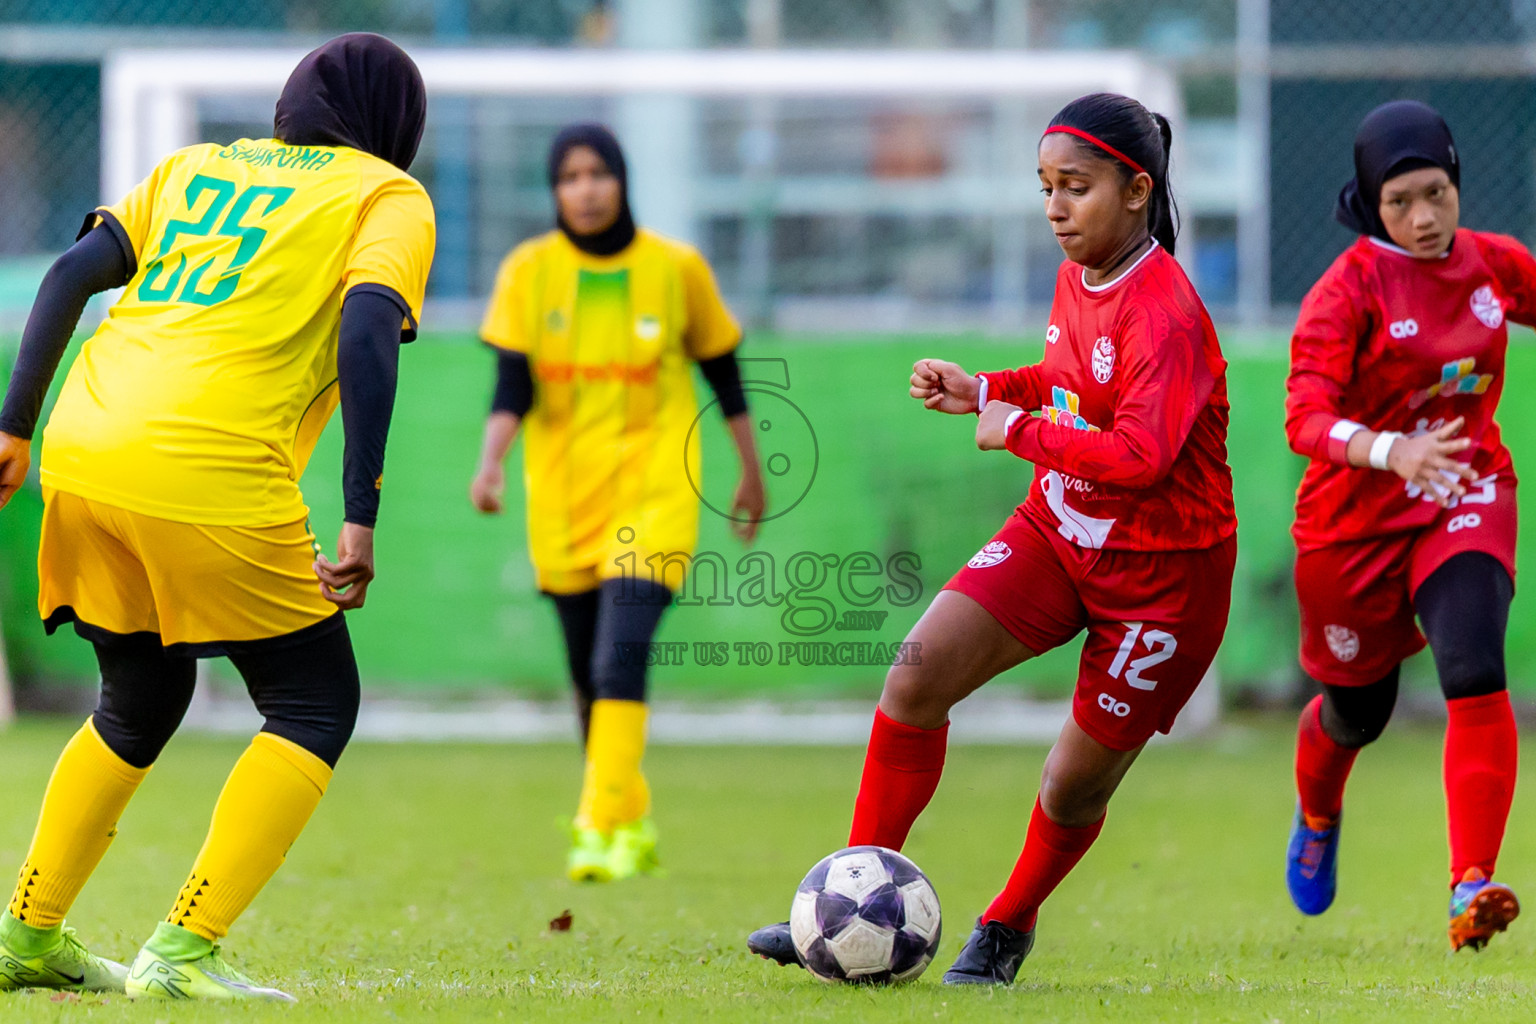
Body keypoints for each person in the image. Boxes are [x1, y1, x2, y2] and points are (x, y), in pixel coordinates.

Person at [746, 92, 1236, 985]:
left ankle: (1007, 926)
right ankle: (848, 901)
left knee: (1072, 784)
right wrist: (987, 390)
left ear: (1136, 190)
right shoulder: (1080, 274)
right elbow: (1070, 380)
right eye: (1046, 187)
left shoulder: (1166, 314)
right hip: (1061, 530)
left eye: (1076, 187)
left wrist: (1015, 429)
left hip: (1162, 581)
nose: (1055, 207)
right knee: (916, 676)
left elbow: (1141, 455)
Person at [0, 33, 435, 1001]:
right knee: (314, 702)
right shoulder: (386, 194)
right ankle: (184, 949)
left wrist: (13, 427)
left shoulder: (195, 166)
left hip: (83, 444)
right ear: (395, 123)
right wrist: (360, 510)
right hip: (208, 461)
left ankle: (26, 934)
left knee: (138, 697)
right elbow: (369, 326)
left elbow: (70, 274)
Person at [470, 124, 766, 883]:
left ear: (623, 180)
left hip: (656, 491)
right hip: (564, 500)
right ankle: (628, 818)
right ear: (554, 190)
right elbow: (511, 385)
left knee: (617, 658)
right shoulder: (529, 271)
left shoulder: (676, 269)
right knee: (588, 678)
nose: (586, 189)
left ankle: (594, 826)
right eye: (569, 176)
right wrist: (491, 461)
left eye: (598, 172)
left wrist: (750, 471)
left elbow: (724, 375)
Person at [1283, 100, 1525, 951]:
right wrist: (1393, 451)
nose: (1423, 217)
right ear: (1369, 201)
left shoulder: (1493, 264)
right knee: (1358, 714)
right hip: (1351, 528)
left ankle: (1472, 886)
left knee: (1475, 666)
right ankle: (1319, 811)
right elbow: (1304, 418)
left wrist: (1431, 459)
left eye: (1437, 194)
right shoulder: (1346, 292)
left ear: (1457, 183)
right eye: (1399, 202)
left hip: (1465, 488)